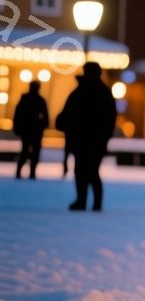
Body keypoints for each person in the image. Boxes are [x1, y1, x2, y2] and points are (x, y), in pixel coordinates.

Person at [56, 62, 116, 212]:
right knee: (93, 172)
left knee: (81, 171)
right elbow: (110, 119)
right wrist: (104, 137)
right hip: (97, 141)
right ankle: (95, 203)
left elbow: (66, 116)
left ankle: (81, 200)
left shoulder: (79, 92)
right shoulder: (104, 93)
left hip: (80, 140)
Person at [13, 80, 49, 179]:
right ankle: (31, 172)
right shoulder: (40, 100)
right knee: (34, 153)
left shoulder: (25, 99)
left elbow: (18, 114)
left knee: (25, 151)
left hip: (27, 130)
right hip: (35, 131)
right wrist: (42, 126)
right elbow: (45, 117)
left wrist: (17, 127)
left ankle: (20, 172)